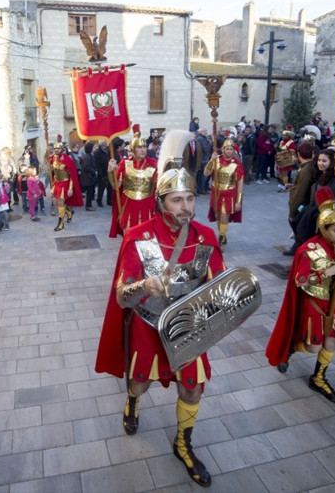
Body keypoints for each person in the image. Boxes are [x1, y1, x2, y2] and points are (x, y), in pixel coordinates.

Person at [95, 130, 224, 487]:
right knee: (139, 384)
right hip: (148, 327)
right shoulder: (139, 237)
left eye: (190, 199)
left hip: (189, 330)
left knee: (193, 389)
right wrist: (144, 285)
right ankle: (132, 403)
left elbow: (218, 289)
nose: (185, 207)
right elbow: (122, 296)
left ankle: (183, 443)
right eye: (176, 200)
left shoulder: (206, 238)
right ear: (160, 201)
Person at [266, 186, 335, 404]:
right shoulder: (309, 249)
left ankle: (318, 378)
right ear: (324, 228)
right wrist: (329, 271)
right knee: (312, 345)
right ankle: (290, 349)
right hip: (314, 302)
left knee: (332, 343)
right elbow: (301, 280)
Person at [107, 132, 157, 238]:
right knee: (129, 239)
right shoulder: (125, 164)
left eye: (145, 147)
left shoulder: (154, 164)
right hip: (128, 206)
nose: (143, 150)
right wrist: (110, 172)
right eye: (139, 147)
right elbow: (115, 187)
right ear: (133, 149)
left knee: (146, 239)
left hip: (147, 207)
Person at [203, 136, 244, 246]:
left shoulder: (236, 164)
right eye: (227, 149)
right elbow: (206, 173)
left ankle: (221, 237)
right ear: (223, 149)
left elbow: (240, 182)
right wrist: (211, 160)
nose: (229, 151)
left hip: (229, 194)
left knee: (224, 216)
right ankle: (223, 234)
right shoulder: (216, 160)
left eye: (231, 149)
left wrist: (238, 201)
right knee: (217, 215)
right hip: (216, 193)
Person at [48, 141, 83, 231]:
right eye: (55, 148)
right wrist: (47, 151)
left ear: (62, 149)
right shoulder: (53, 158)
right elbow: (47, 159)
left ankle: (60, 224)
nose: (56, 150)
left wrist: (71, 188)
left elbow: (72, 175)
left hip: (65, 183)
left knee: (61, 203)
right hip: (57, 183)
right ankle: (69, 212)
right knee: (55, 202)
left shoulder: (68, 160)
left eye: (58, 148)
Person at [79, 141, 99, 211]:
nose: (95, 148)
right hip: (88, 177)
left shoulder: (90, 155)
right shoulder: (87, 156)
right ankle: (88, 206)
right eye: (93, 147)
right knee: (89, 192)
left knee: (91, 192)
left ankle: (89, 204)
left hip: (90, 177)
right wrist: (94, 172)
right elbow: (86, 167)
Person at [94, 140, 112, 207]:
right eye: (105, 143)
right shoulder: (97, 152)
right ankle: (99, 201)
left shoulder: (107, 150)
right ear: (103, 144)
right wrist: (100, 174)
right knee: (101, 188)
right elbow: (97, 164)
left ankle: (109, 200)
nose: (107, 144)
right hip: (102, 172)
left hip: (108, 171)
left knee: (109, 187)